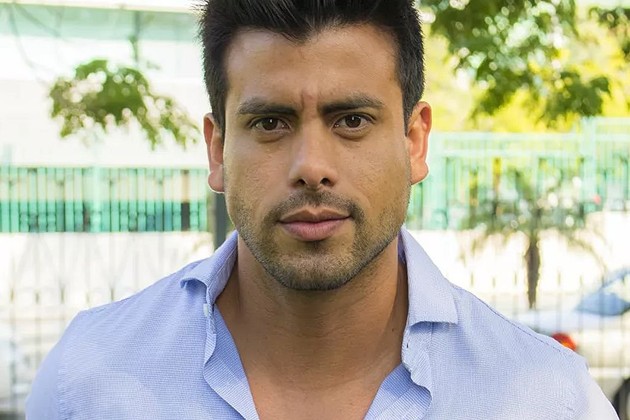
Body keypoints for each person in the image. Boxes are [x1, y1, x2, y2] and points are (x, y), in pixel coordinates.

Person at [26, 0, 618, 419]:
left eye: (352, 120)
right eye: (270, 123)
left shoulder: (548, 400)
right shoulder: (90, 379)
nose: (312, 166)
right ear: (217, 149)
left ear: (415, 142)